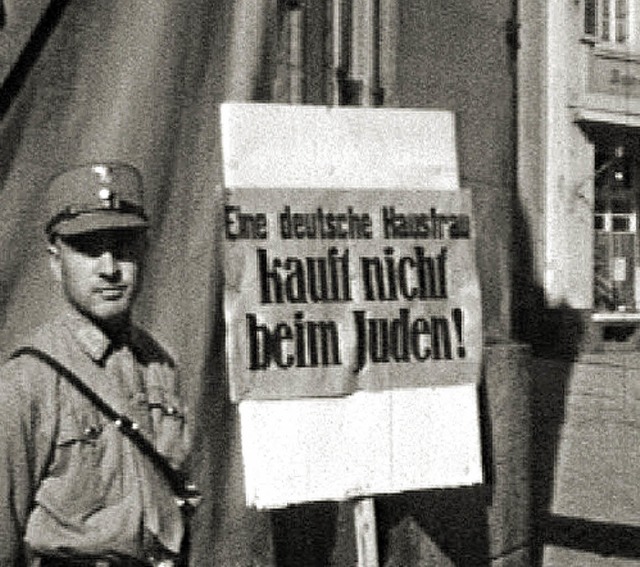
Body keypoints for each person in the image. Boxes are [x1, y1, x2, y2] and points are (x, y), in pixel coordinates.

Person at [0, 163, 194, 567]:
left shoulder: (157, 366)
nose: (110, 268)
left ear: (143, 251)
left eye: (123, 247)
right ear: (56, 260)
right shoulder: (28, 381)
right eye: (89, 249)